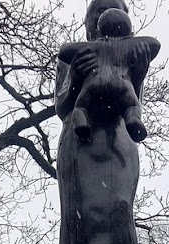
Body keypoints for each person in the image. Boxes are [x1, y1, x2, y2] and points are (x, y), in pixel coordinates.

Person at [55, 0, 156, 244]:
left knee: (120, 208)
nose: (102, 17)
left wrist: (139, 73)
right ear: (88, 21)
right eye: (96, 11)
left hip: (118, 141)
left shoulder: (127, 54)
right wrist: (74, 78)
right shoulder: (74, 56)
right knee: (79, 211)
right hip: (81, 138)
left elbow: (132, 100)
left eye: (112, 10)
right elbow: (62, 107)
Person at [58, 6, 160, 143]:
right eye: (100, 10)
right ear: (87, 21)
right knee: (131, 108)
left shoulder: (131, 57)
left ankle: (81, 116)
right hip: (79, 144)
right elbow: (61, 108)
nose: (107, 13)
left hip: (120, 139)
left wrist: (138, 76)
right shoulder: (79, 59)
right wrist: (75, 81)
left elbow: (136, 100)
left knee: (81, 107)